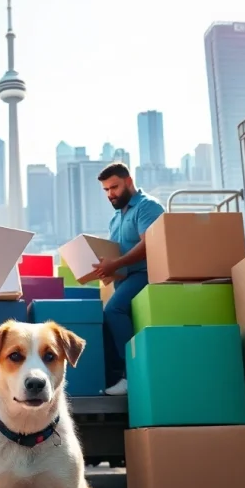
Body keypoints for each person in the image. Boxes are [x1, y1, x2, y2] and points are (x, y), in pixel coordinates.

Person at [89, 162, 165, 396]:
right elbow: (117, 254)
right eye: (106, 190)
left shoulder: (147, 207)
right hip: (124, 280)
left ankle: (132, 374)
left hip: (145, 274)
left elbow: (149, 245)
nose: (110, 194)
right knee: (101, 316)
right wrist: (106, 271)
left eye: (115, 187)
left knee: (114, 310)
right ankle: (115, 373)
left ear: (129, 182)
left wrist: (117, 264)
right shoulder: (115, 219)